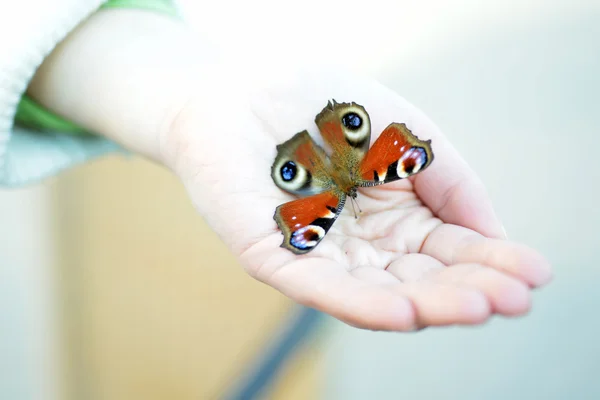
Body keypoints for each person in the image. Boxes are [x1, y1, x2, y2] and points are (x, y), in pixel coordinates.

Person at [0, 0, 553, 332]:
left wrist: (187, 99)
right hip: (338, 177)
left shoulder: (329, 200)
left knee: (325, 181)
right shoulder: (348, 189)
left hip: (318, 178)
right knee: (352, 171)